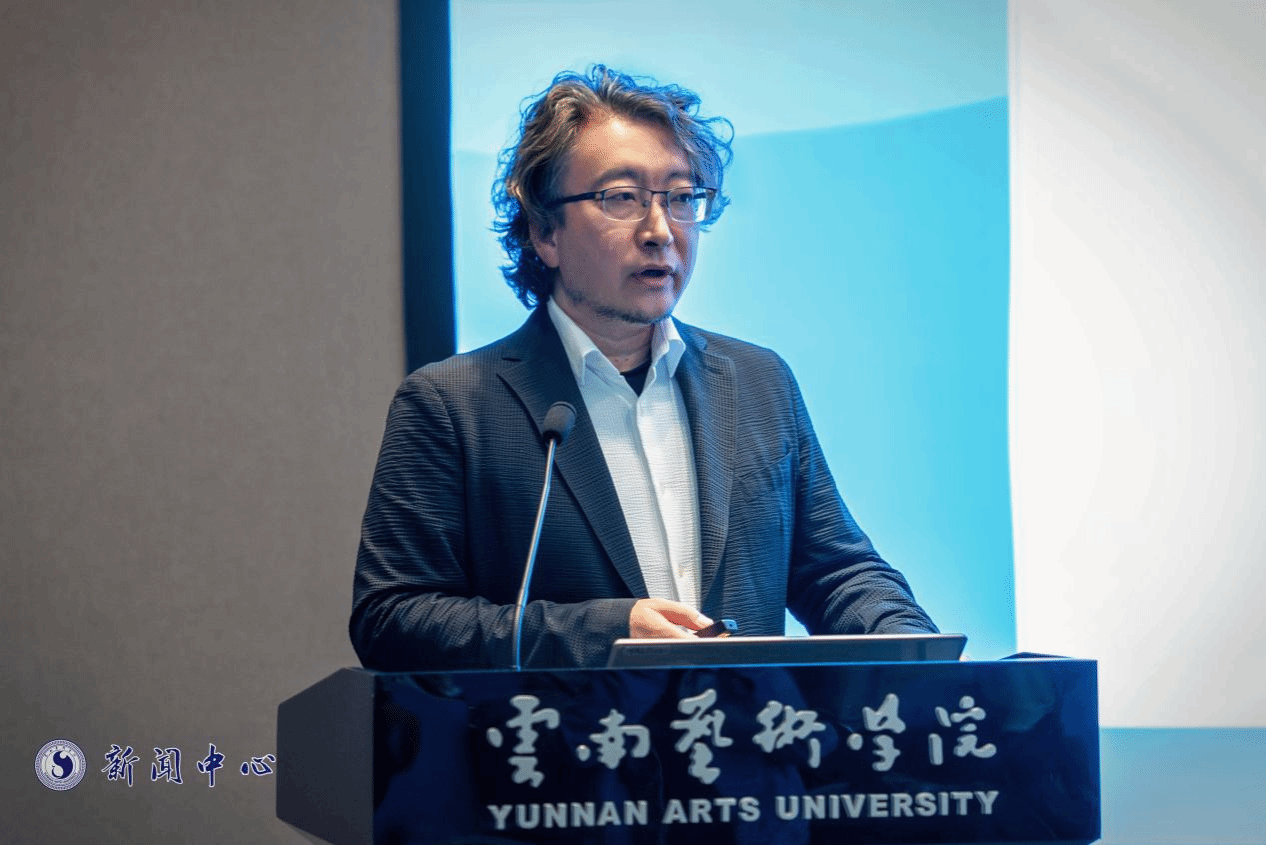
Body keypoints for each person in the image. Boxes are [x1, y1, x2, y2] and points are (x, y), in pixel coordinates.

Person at [350, 66, 937, 671]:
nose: (660, 232)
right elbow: (391, 618)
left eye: (682, 199)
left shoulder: (758, 383)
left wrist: (920, 651)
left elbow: (836, 573)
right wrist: (607, 633)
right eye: (621, 198)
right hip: (571, 733)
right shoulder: (452, 405)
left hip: (744, 730)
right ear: (545, 232)